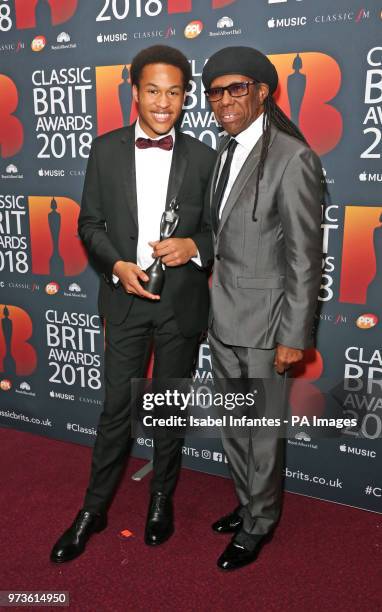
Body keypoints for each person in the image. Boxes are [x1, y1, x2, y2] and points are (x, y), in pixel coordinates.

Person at [50, 45, 216, 563]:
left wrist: (194, 248)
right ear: (135, 92)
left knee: (167, 412)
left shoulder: (206, 158)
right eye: (152, 90)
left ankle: (161, 497)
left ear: (185, 96)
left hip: (179, 306)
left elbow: (218, 231)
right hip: (124, 301)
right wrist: (115, 266)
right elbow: (88, 224)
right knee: (115, 412)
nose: (163, 102)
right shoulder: (105, 150)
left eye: (173, 92)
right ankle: (93, 508)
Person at [202, 46, 323, 571]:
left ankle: (260, 523)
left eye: (237, 88)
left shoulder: (292, 157)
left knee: (264, 433)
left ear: (263, 91)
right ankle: (248, 502)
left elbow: (304, 256)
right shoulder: (225, 152)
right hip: (222, 318)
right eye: (214, 92)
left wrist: (294, 335)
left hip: (268, 325)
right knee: (234, 427)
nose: (224, 100)